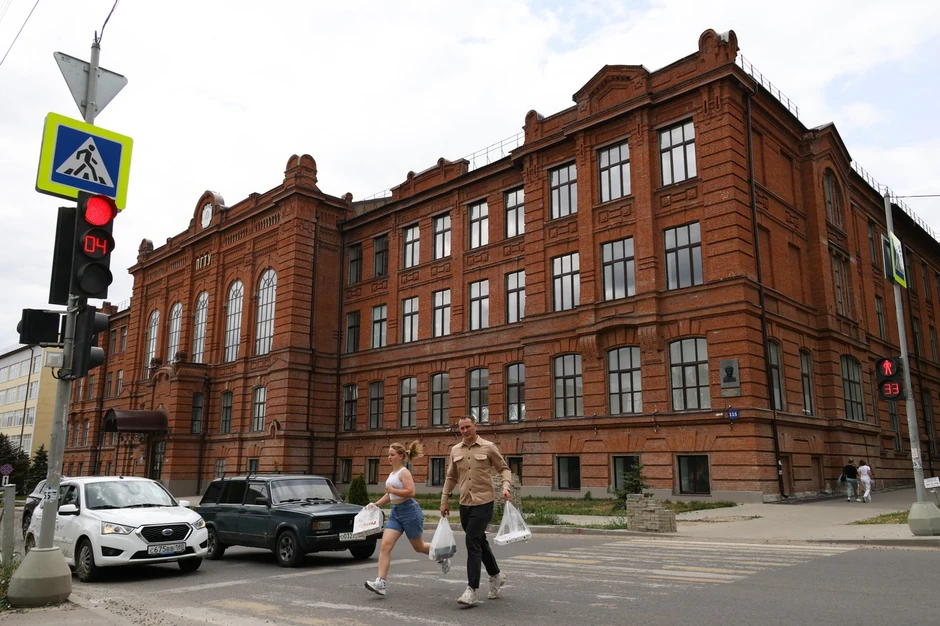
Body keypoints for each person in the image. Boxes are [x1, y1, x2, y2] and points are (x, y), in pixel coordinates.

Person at [441, 415, 512, 605]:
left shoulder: (488, 447)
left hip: (484, 502)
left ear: (475, 426)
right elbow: (451, 477)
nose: (465, 431)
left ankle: (471, 589)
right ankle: (496, 575)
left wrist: (506, 486)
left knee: (472, 540)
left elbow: (504, 469)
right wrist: (444, 500)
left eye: (468, 427)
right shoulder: (455, 450)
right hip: (465, 504)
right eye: (461, 428)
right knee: (479, 541)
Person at [365, 441, 450, 597]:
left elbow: (411, 492)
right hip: (395, 513)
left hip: (410, 512)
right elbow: (390, 494)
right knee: (385, 546)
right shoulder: (392, 474)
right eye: (388, 455)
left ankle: (442, 555)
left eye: (392, 455)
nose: (389, 457)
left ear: (400, 456)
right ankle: (381, 583)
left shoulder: (404, 472)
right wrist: (376, 504)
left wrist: (392, 490)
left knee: (419, 547)